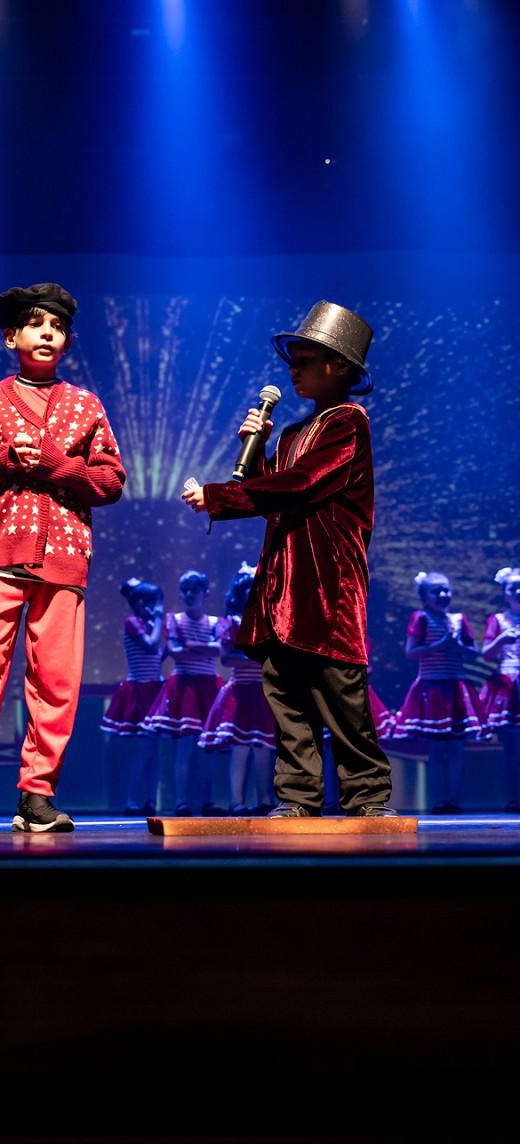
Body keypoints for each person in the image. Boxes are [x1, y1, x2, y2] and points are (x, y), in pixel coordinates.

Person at [0, 282, 125, 833]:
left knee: (56, 678)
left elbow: (110, 481)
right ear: (12, 337)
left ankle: (37, 795)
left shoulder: (85, 405)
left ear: (68, 343)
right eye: (36, 324)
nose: (47, 334)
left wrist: (61, 465)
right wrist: (3, 461)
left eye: (57, 328)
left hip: (64, 556)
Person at [182, 300, 394, 818]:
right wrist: (254, 452)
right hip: (284, 584)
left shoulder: (348, 423)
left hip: (327, 585)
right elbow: (273, 493)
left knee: (341, 693)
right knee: (287, 694)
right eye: (292, 362)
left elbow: (301, 484)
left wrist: (219, 497)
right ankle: (297, 796)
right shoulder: (295, 433)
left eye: (305, 361)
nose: (293, 371)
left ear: (338, 366)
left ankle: (367, 796)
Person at [393, 571, 487, 814]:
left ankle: (454, 800)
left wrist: (457, 646)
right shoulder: (421, 618)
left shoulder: (458, 619)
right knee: (436, 750)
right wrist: (440, 645)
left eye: (446, 590)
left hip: (456, 688)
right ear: (424, 597)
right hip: (432, 688)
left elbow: (473, 653)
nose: (443, 594)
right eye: (436, 591)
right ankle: (439, 801)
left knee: (456, 747)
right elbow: (411, 652)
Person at [143, 570, 223, 816]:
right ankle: (181, 802)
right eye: (185, 590)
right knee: (184, 748)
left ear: (205, 593)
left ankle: (208, 801)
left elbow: (218, 650)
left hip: (208, 687)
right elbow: (176, 652)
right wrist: (201, 649)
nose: (189, 595)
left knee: (207, 748)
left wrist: (189, 645)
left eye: (194, 590)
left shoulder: (214, 623)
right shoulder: (174, 620)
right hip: (184, 688)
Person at [199, 563, 276, 815]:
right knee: (241, 749)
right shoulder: (232, 622)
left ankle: (265, 799)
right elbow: (226, 658)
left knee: (263, 748)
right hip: (240, 693)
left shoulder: (267, 622)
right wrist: (257, 658)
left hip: (262, 692)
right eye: (247, 588)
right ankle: (236, 801)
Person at [100, 577, 164, 815]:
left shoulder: (149, 623)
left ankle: (150, 801)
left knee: (153, 752)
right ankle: (132, 801)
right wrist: (159, 618)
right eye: (148, 602)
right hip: (140, 690)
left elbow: (155, 656)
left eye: (154, 602)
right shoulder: (133, 622)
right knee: (144, 751)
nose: (152, 607)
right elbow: (151, 645)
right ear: (138, 603)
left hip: (155, 689)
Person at [481, 567, 520, 812]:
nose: (519, 591)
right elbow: (486, 654)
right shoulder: (498, 620)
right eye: (513, 587)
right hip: (510, 686)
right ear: (505, 593)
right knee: (512, 749)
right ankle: (514, 797)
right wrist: (501, 640)